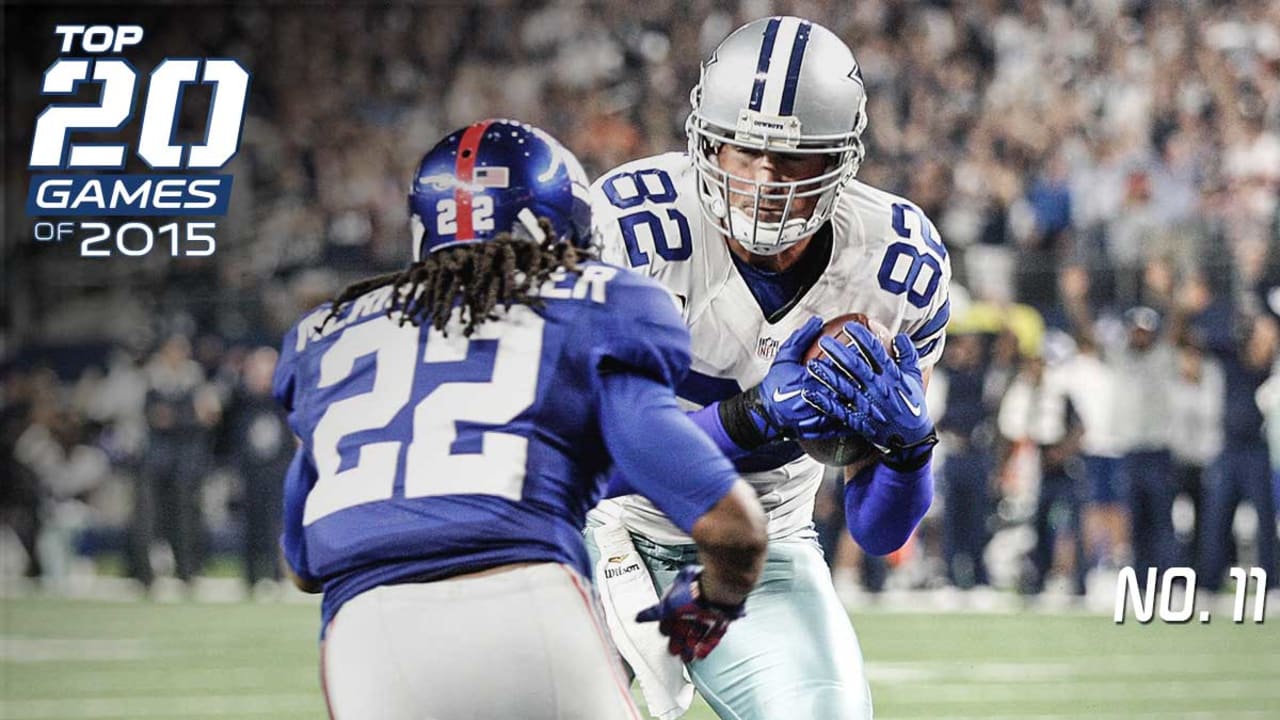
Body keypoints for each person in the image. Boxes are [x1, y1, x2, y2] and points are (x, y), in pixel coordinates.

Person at [272, 119, 769, 720]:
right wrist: (710, 605)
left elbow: (301, 563)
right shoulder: (592, 305)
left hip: (364, 642)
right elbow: (733, 529)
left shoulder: (334, 337)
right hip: (525, 607)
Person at [587, 18, 950, 719]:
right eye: (744, 149)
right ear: (706, 139)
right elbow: (589, 462)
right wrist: (752, 418)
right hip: (600, 525)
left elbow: (878, 534)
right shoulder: (636, 229)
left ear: (841, 160)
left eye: (795, 158)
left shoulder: (894, 266)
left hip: (769, 545)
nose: (763, 178)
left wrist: (909, 452)